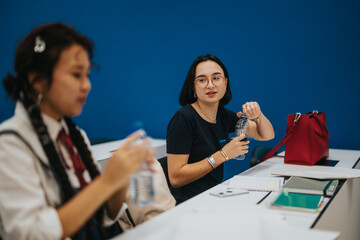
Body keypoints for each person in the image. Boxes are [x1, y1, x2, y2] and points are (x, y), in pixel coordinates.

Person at [0, 22, 154, 240]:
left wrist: (121, 178)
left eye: (87, 74)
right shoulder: (9, 145)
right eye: (76, 74)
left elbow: (104, 216)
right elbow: (29, 233)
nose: (87, 85)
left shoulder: (76, 137)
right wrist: (107, 181)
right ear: (36, 79)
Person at [166, 54, 275, 204]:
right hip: (189, 203)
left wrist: (258, 116)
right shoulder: (183, 118)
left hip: (214, 195)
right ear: (193, 86)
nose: (210, 85)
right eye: (202, 80)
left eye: (216, 78)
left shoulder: (223, 115)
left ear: (225, 82)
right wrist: (223, 155)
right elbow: (176, 178)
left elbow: (266, 135)